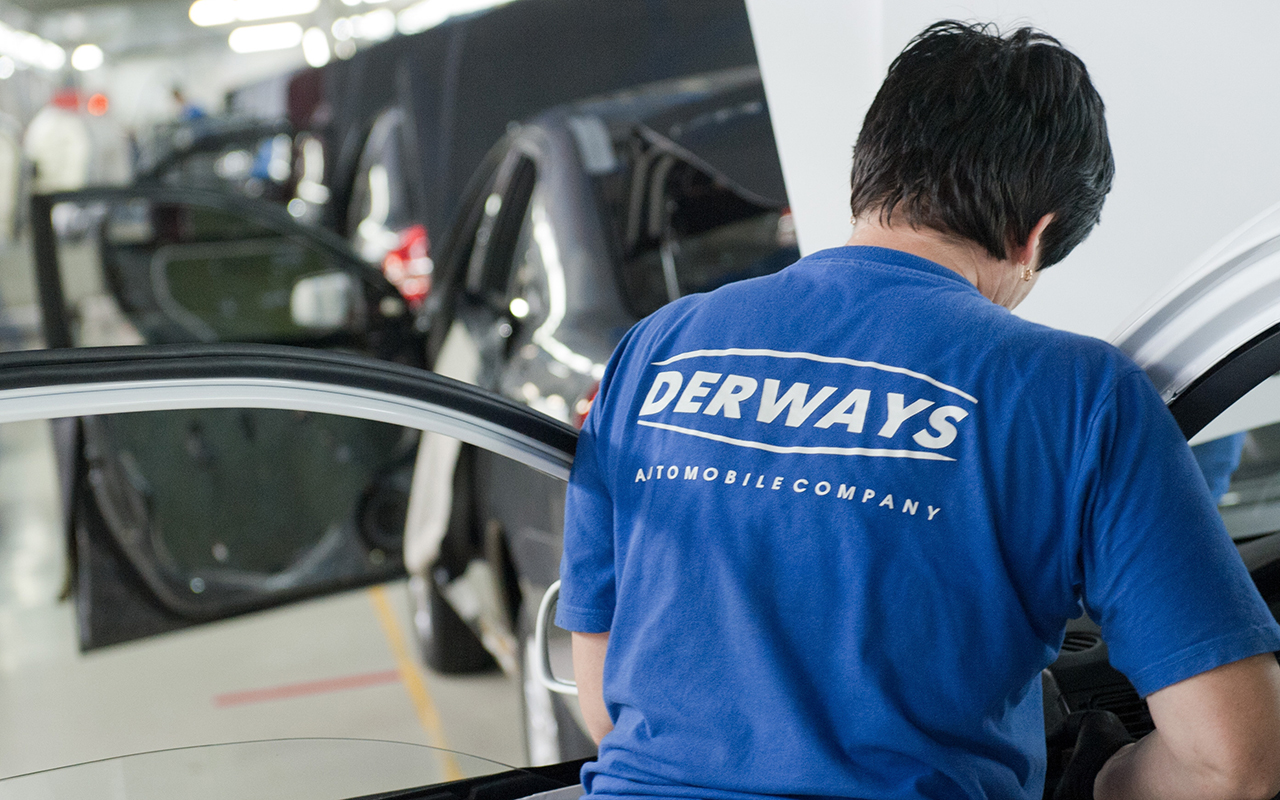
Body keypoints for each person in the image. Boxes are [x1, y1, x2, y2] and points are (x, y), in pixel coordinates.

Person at [555, 20, 1280, 800]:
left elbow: (604, 700)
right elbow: (1233, 760)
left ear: (870, 174)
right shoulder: (1078, 393)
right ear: (1034, 237)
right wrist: (1100, 782)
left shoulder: (657, 346)